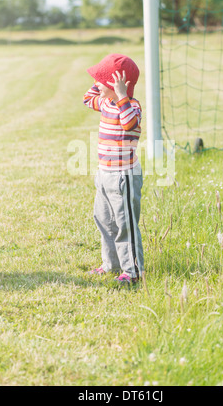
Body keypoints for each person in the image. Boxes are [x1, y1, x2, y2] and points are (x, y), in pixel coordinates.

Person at [83, 53, 144, 285]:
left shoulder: (131, 107)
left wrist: (121, 95)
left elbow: (129, 123)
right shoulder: (106, 102)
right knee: (104, 220)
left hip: (123, 177)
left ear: (118, 86)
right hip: (104, 174)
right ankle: (111, 264)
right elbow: (87, 99)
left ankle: (133, 270)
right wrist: (100, 81)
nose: (97, 84)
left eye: (101, 80)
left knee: (125, 224)